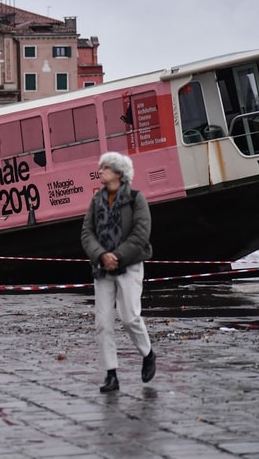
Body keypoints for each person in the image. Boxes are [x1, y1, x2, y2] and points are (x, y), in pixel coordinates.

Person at [81, 152, 156, 393]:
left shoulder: (136, 199)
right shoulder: (96, 200)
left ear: (118, 173)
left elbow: (141, 233)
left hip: (130, 265)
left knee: (129, 317)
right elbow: (87, 232)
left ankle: (148, 353)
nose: (100, 171)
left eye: (104, 168)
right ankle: (111, 374)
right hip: (102, 268)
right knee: (102, 322)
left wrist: (118, 256)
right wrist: (102, 255)